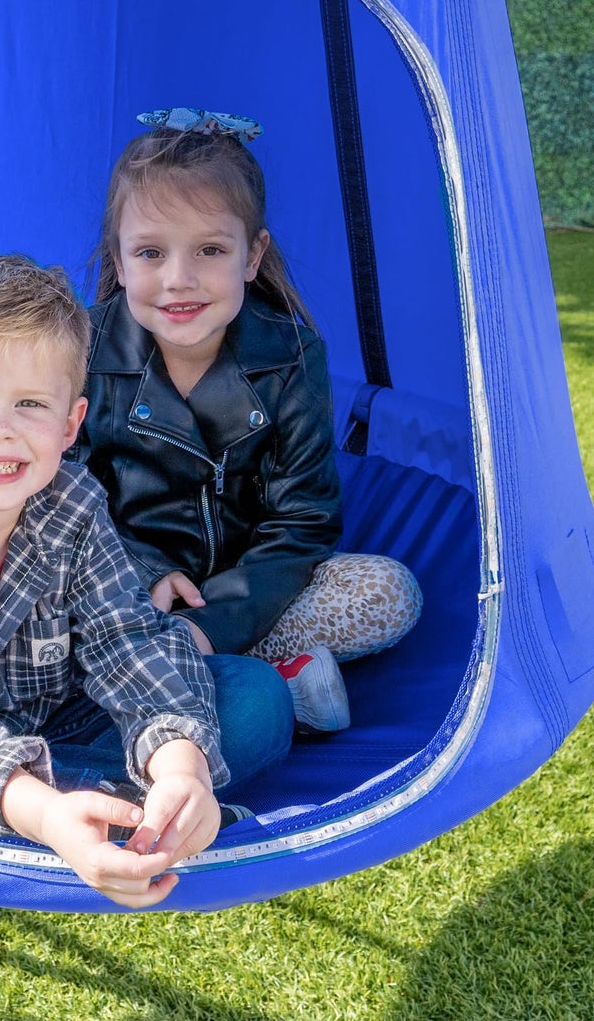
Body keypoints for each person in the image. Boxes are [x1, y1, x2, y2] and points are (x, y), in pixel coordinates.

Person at [0, 253, 292, 909]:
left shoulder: (72, 502)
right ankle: (63, 820)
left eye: (29, 404)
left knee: (257, 701)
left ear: (69, 425)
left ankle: (111, 811)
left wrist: (181, 764)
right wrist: (40, 809)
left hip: (57, 720)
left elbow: (128, 640)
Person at [75, 109, 423, 733]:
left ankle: (200, 671)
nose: (179, 280)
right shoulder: (79, 351)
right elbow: (60, 497)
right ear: (119, 262)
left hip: (250, 594)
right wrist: (146, 573)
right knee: (24, 601)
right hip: (116, 585)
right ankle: (269, 687)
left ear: (251, 255)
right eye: (150, 252)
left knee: (386, 594)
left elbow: (304, 520)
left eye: (210, 250)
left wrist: (214, 623)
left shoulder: (291, 356)